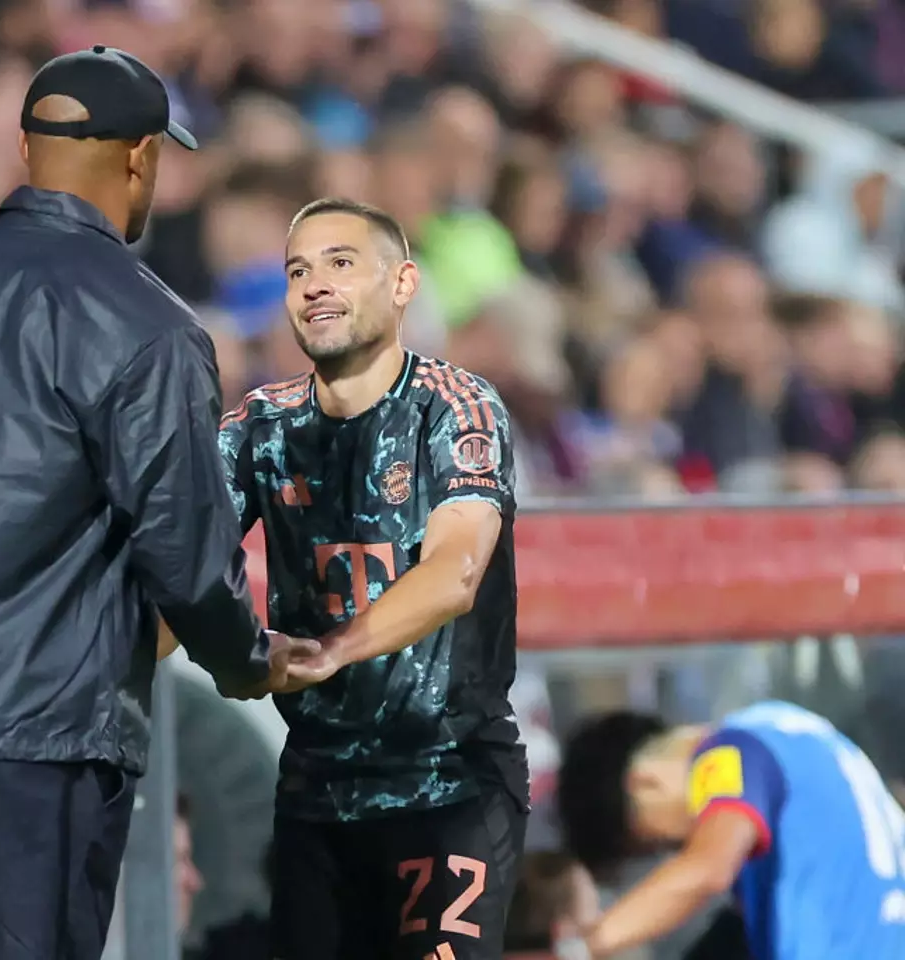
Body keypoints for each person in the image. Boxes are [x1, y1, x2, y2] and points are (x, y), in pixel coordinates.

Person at [0, 45, 314, 960]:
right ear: (140, 158)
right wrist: (246, 660)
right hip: (35, 728)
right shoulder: (149, 326)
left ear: (25, 147)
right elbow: (183, 553)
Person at [218, 198, 530, 959]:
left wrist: (331, 651)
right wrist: (230, 655)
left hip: (448, 782)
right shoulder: (258, 428)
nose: (315, 284)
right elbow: (178, 567)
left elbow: (455, 573)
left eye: (341, 263)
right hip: (317, 794)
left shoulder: (454, 408)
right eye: (298, 271)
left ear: (403, 284)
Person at [555, 700, 905, 958]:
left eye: (666, 843)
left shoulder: (729, 752)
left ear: (646, 783)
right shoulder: (796, 735)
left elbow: (706, 869)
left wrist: (582, 947)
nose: (681, 849)